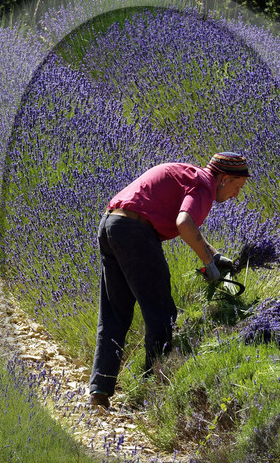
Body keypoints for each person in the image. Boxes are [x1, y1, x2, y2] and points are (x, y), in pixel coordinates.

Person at [89, 152, 250, 410]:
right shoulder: (204, 186)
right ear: (225, 178)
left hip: (111, 225)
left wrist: (215, 256)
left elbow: (187, 226)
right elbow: (184, 222)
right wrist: (209, 265)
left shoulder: (189, 175)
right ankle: (152, 393)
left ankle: (100, 391)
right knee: (162, 315)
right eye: (237, 187)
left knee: (114, 314)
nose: (236, 195)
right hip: (135, 233)